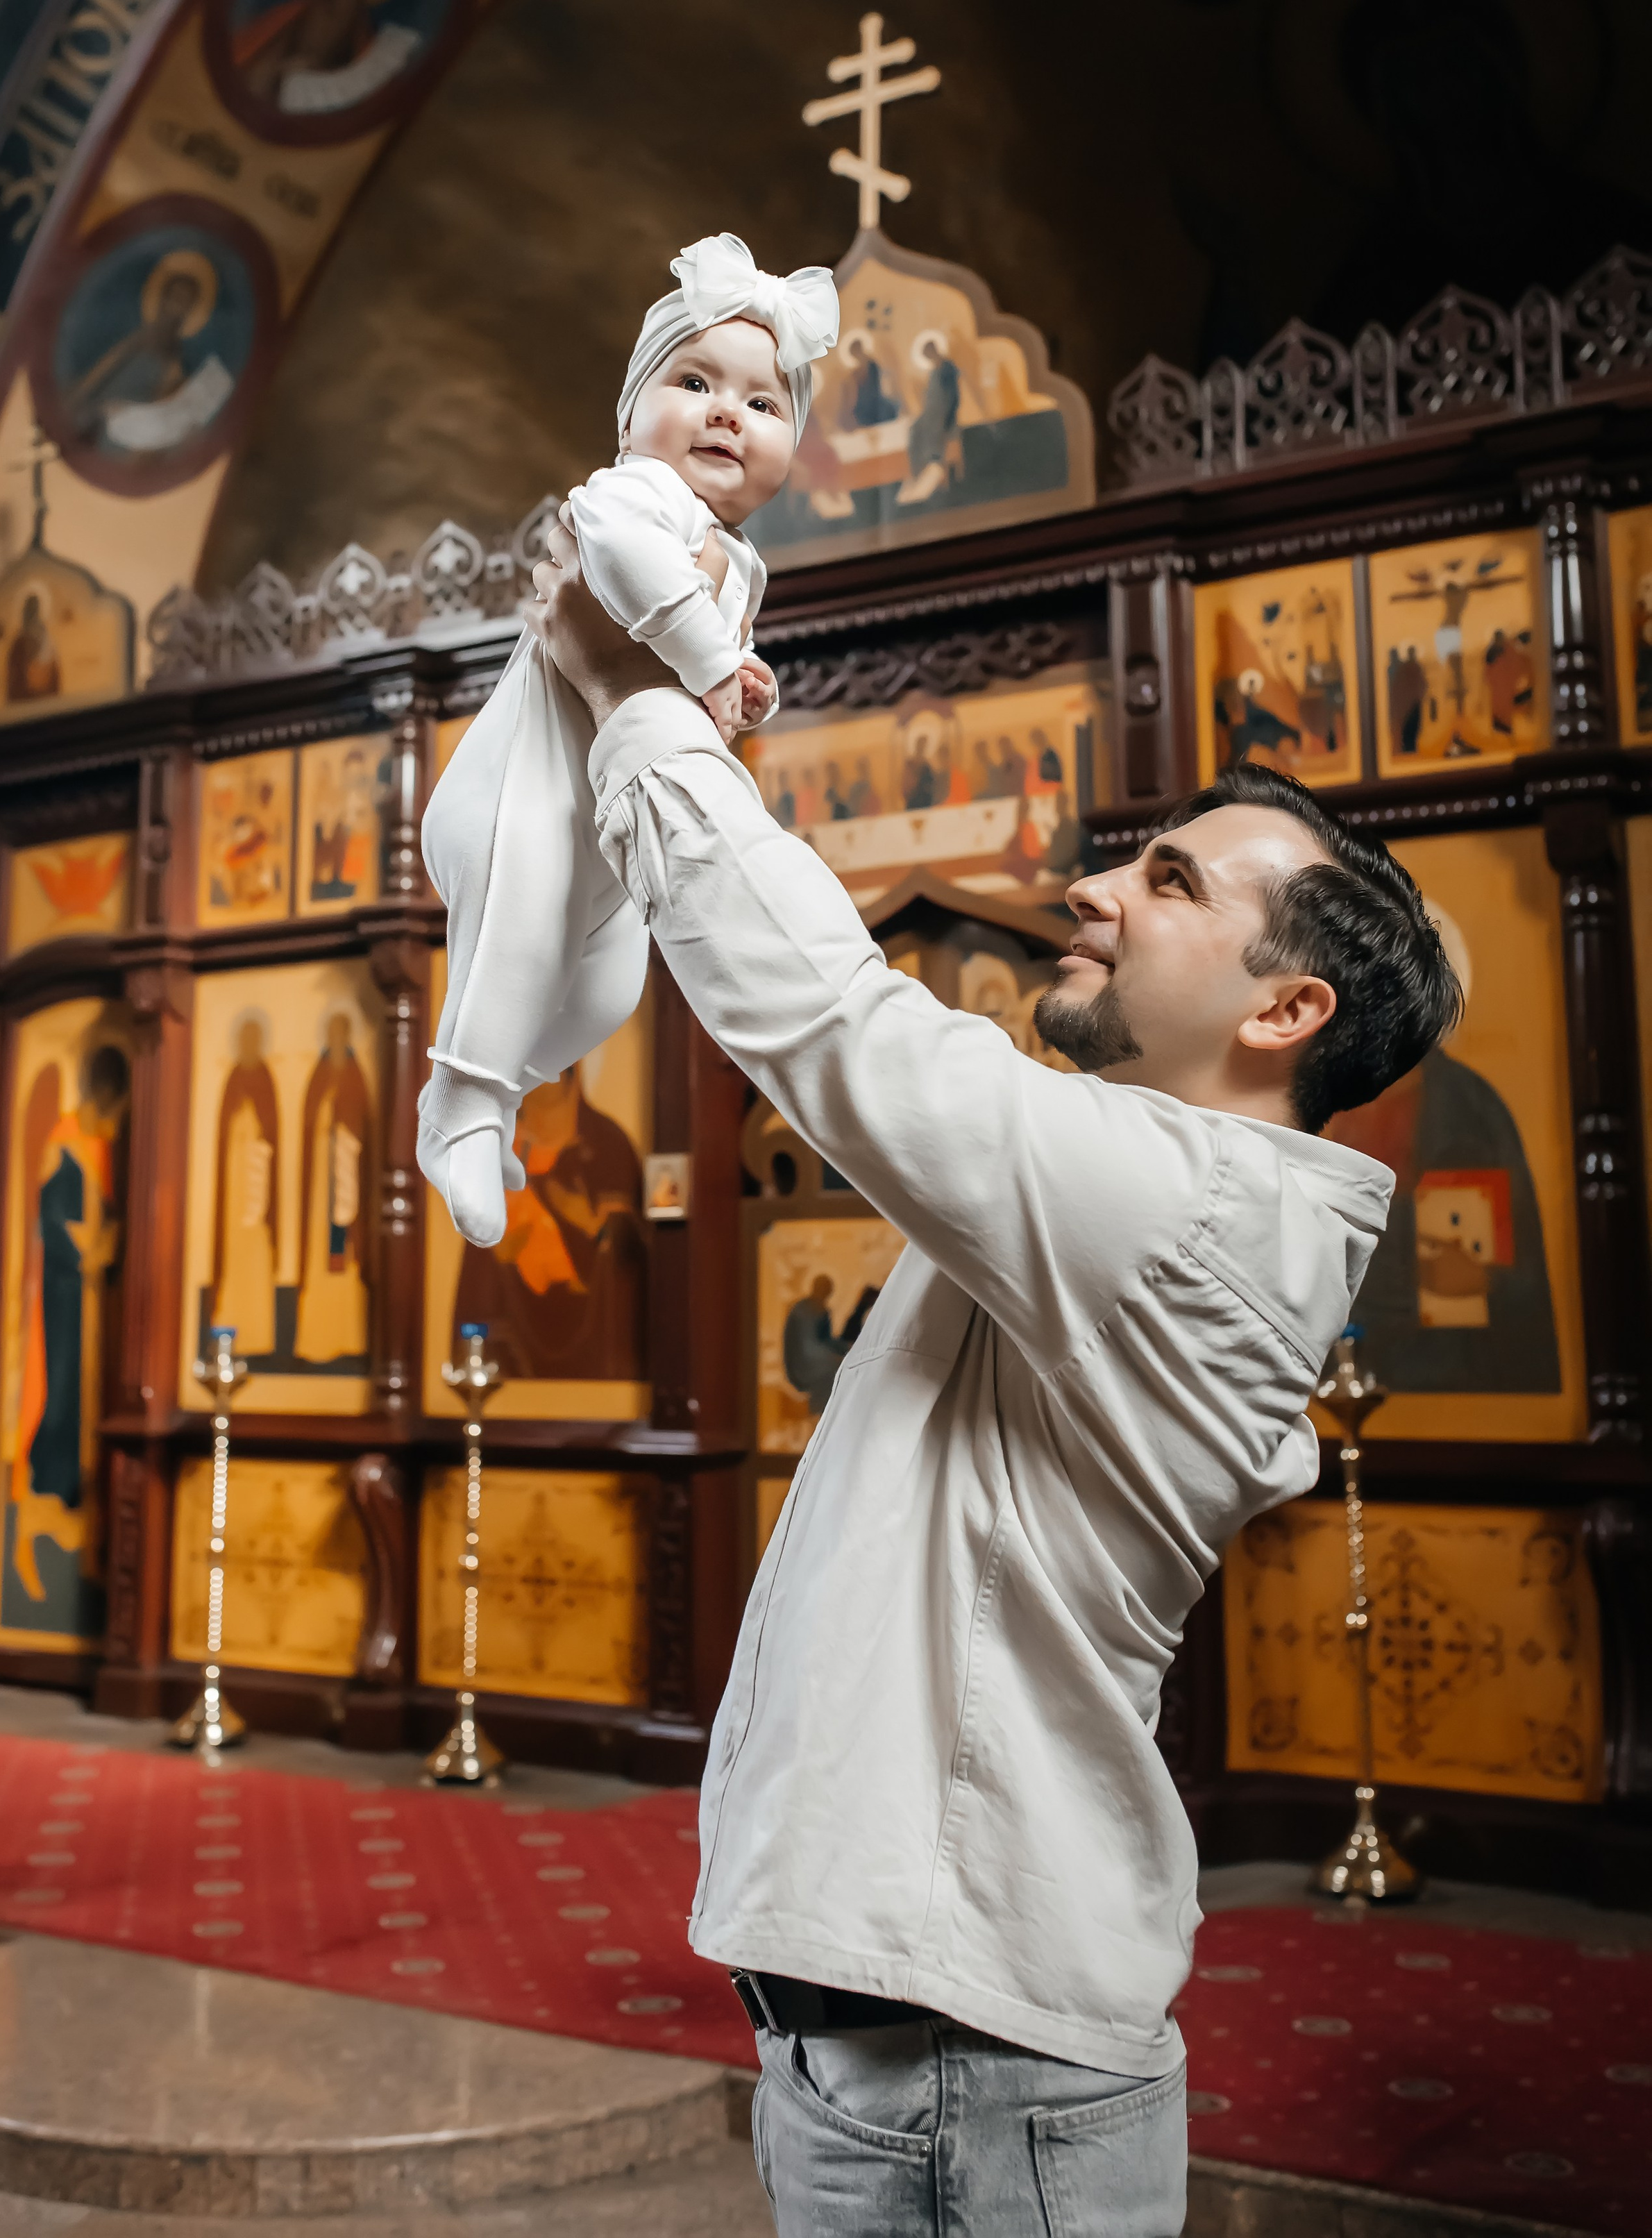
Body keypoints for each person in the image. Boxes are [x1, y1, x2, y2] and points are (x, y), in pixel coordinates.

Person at [528, 536, 1461, 2238]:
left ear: (1287, 1009)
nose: (1096, 886)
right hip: (928, 2040)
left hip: (975, 2065)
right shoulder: (1157, 1192)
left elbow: (836, 1023)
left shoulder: (1184, 1205)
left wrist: (637, 710)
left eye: (1171, 883)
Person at [419, 233, 838, 1250]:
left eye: (763, 401)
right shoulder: (631, 495)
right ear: (631, 414)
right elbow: (628, 567)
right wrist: (707, 657)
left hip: (600, 821)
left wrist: (740, 687)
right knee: (521, 928)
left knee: (609, 990)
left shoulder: (742, 562)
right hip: (523, 797)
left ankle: (498, 1093)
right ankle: (462, 1102)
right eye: (695, 381)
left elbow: (706, 658)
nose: (728, 411)